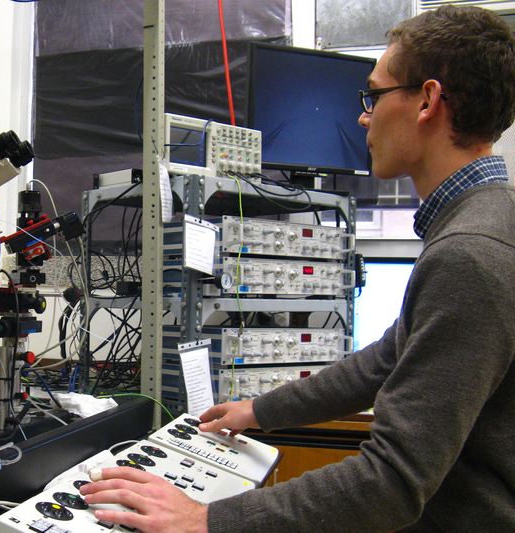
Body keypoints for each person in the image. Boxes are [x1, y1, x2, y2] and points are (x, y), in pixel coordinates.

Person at [79, 5, 515, 532]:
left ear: (426, 100)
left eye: (372, 96)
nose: (363, 116)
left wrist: (205, 519)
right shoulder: (491, 220)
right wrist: (259, 410)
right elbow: (385, 361)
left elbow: (392, 483)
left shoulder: (468, 253)